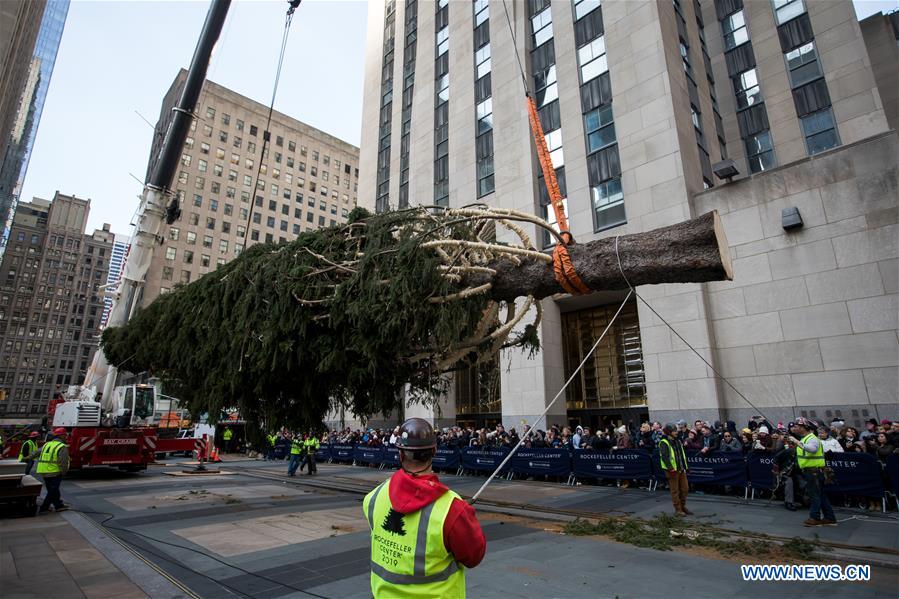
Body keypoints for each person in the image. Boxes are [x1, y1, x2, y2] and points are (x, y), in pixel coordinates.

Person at [363, 418, 485, 597]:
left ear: (400, 453)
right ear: (434, 451)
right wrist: (462, 519)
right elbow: (473, 557)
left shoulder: (374, 497)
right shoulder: (453, 509)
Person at [788, 418, 836, 527]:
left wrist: (796, 442)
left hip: (814, 472)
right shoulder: (805, 438)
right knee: (820, 495)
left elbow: (812, 449)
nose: (795, 428)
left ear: (804, 428)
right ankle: (829, 517)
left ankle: (815, 517)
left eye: (797, 426)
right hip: (811, 471)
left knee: (815, 495)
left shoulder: (812, 438)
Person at [34, 428, 70, 513]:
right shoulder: (62, 446)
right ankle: (44, 507)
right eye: (65, 435)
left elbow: (36, 452)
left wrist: (27, 458)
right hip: (54, 471)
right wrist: (63, 471)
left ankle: (58, 505)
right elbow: (63, 461)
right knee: (52, 490)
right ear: (61, 436)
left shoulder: (47, 444)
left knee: (53, 489)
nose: (66, 437)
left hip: (44, 471)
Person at [659, 423, 692, 516]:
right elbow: (664, 457)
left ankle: (682, 506)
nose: (676, 432)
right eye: (674, 431)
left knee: (685, 489)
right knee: (675, 490)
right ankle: (678, 509)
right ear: (669, 432)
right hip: (672, 470)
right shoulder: (664, 442)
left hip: (681, 468)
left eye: (676, 430)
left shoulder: (678, 441)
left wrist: (686, 467)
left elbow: (682, 455)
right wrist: (670, 468)